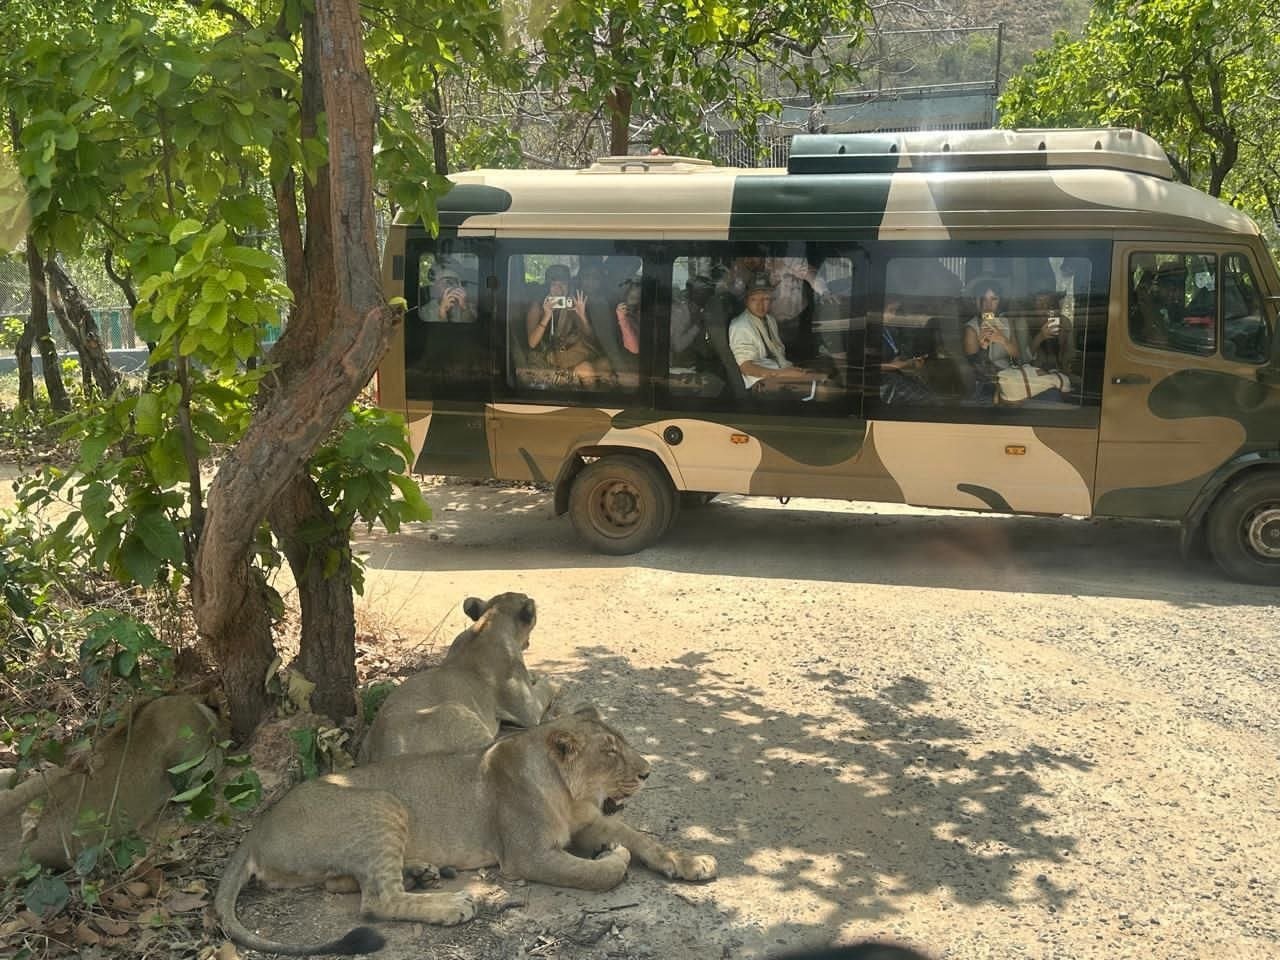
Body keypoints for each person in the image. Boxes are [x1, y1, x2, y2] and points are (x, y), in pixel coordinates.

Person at [728, 273, 827, 392]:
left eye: (765, 299)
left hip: (778, 370)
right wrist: (781, 373)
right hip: (760, 382)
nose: (760, 305)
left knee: (825, 374)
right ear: (746, 301)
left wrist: (789, 370)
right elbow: (746, 368)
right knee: (824, 390)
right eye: (754, 299)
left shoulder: (769, 319)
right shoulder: (741, 326)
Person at [526, 264, 612, 383]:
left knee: (604, 364)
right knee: (586, 370)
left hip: (571, 354)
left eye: (563, 284)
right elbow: (532, 343)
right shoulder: (537, 307)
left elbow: (590, 338)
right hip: (548, 359)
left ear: (569, 285)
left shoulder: (572, 303)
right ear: (548, 286)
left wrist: (582, 316)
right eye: (554, 285)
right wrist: (546, 316)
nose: (559, 289)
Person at [962, 280, 1019, 400]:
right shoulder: (971, 328)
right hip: (987, 384)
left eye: (994, 299)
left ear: (1000, 301)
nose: (988, 305)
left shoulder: (1007, 323)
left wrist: (1003, 340)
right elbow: (974, 368)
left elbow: (1018, 356)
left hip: (1011, 379)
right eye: (983, 299)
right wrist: (983, 346)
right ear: (976, 301)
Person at [878, 299, 934, 405]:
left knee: (927, 391)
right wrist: (902, 365)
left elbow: (895, 356)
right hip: (882, 381)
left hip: (894, 375)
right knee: (925, 400)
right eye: (890, 310)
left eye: (895, 311)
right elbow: (867, 364)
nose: (893, 315)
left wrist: (912, 362)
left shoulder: (889, 329)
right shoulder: (869, 333)